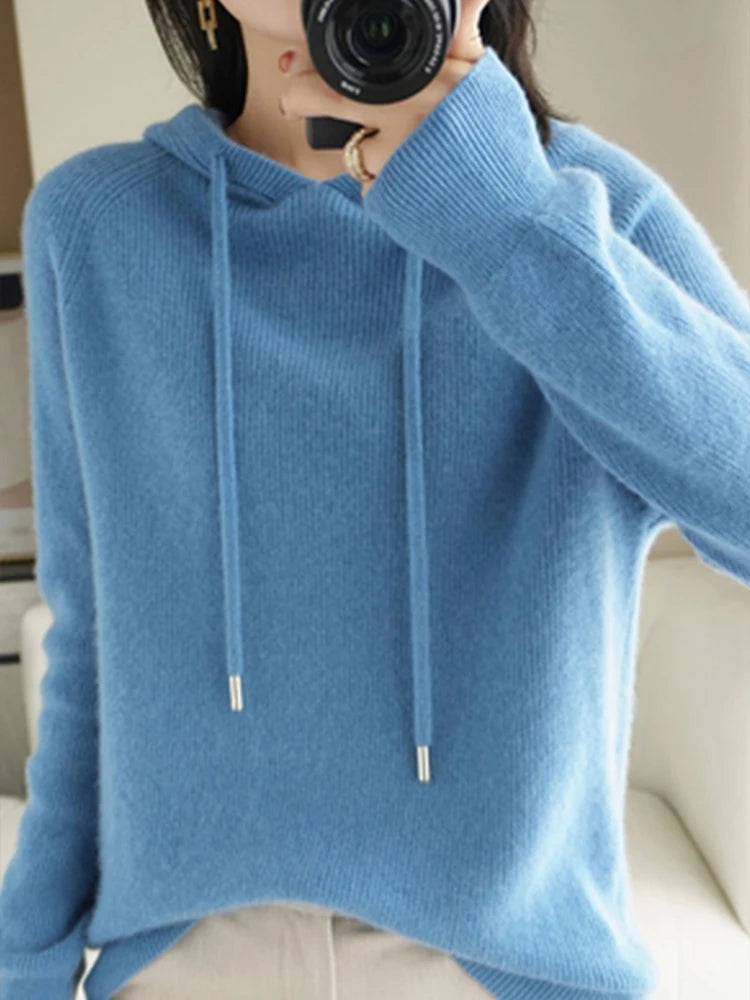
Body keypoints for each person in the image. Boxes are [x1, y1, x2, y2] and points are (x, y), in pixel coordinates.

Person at [1, 0, 749, 997]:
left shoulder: (586, 208)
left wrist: (501, 216)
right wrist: (25, 961)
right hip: (183, 965)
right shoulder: (95, 226)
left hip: (500, 972)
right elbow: (93, 642)